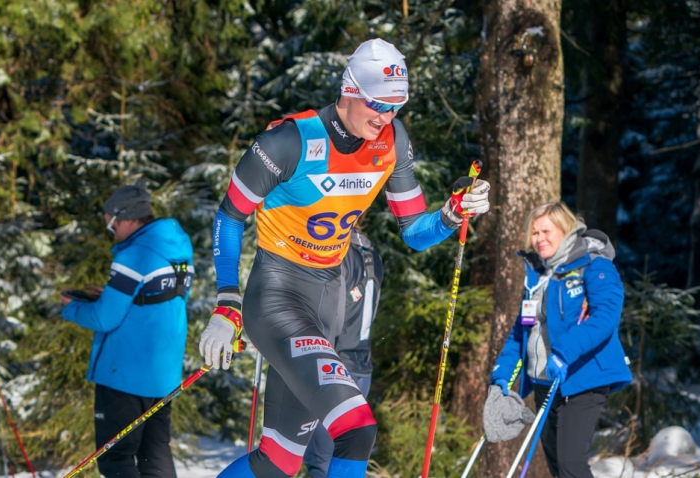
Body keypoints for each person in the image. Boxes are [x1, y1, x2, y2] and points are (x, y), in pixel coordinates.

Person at [198, 38, 491, 478]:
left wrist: (452, 214)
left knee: (277, 461)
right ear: (350, 89)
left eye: (397, 106)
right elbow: (228, 216)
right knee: (357, 429)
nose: (386, 117)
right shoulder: (289, 141)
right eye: (378, 103)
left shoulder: (392, 142)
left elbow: (413, 233)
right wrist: (226, 303)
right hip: (277, 297)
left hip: (328, 304)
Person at [487, 202, 632, 478]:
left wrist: (564, 352)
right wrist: (500, 379)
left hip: (583, 379)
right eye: (535, 233)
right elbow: (522, 331)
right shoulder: (539, 277)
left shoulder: (594, 264)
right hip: (545, 381)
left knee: (570, 465)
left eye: (546, 231)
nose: (539, 238)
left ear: (565, 230)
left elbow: (605, 318)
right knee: (557, 467)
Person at [60, 180, 194, 478]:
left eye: (113, 225)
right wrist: (108, 297)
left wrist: (73, 307)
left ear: (129, 218)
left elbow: (105, 319)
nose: (113, 233)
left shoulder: (134, 255)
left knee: (116, 458)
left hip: (125, 374)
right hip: (164, 375)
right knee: (154, 456)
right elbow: (157, 299)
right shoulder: (178, 249)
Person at [302, 228, 383, 478]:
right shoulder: (373, 256)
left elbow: (328, 313)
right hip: (361, 366)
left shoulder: (338, 255)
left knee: (321, 459)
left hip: (334, 366)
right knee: (344, 459)